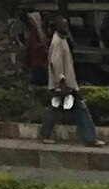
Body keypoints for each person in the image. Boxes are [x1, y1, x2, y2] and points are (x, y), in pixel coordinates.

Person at [38, 12, 98, 147]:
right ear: (57, 27)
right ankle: (90, 138)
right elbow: (56, 63)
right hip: (64, 84)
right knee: (80, 107)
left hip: (66, 83)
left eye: (66, 25)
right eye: (63, 25)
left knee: (57, 108)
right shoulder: (58, 41)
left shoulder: (63, 39)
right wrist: (62, 82)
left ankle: (44, 134)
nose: (66, 27)